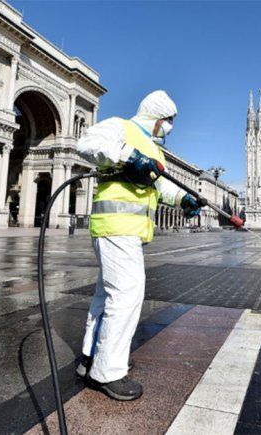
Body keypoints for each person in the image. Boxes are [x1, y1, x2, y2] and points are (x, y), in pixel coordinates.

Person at [74, 90, 201, 401]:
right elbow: (87, 144)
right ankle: (108, 372)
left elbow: (160, 185)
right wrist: (127, 156)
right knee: (126, 295)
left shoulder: (152, 148)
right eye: (168, 121)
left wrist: (183, 198)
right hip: (116, 226)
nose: (169, 127)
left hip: (128, 231)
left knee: (106, 296)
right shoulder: (121, 127)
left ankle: (91, 356)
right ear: (155, 117)